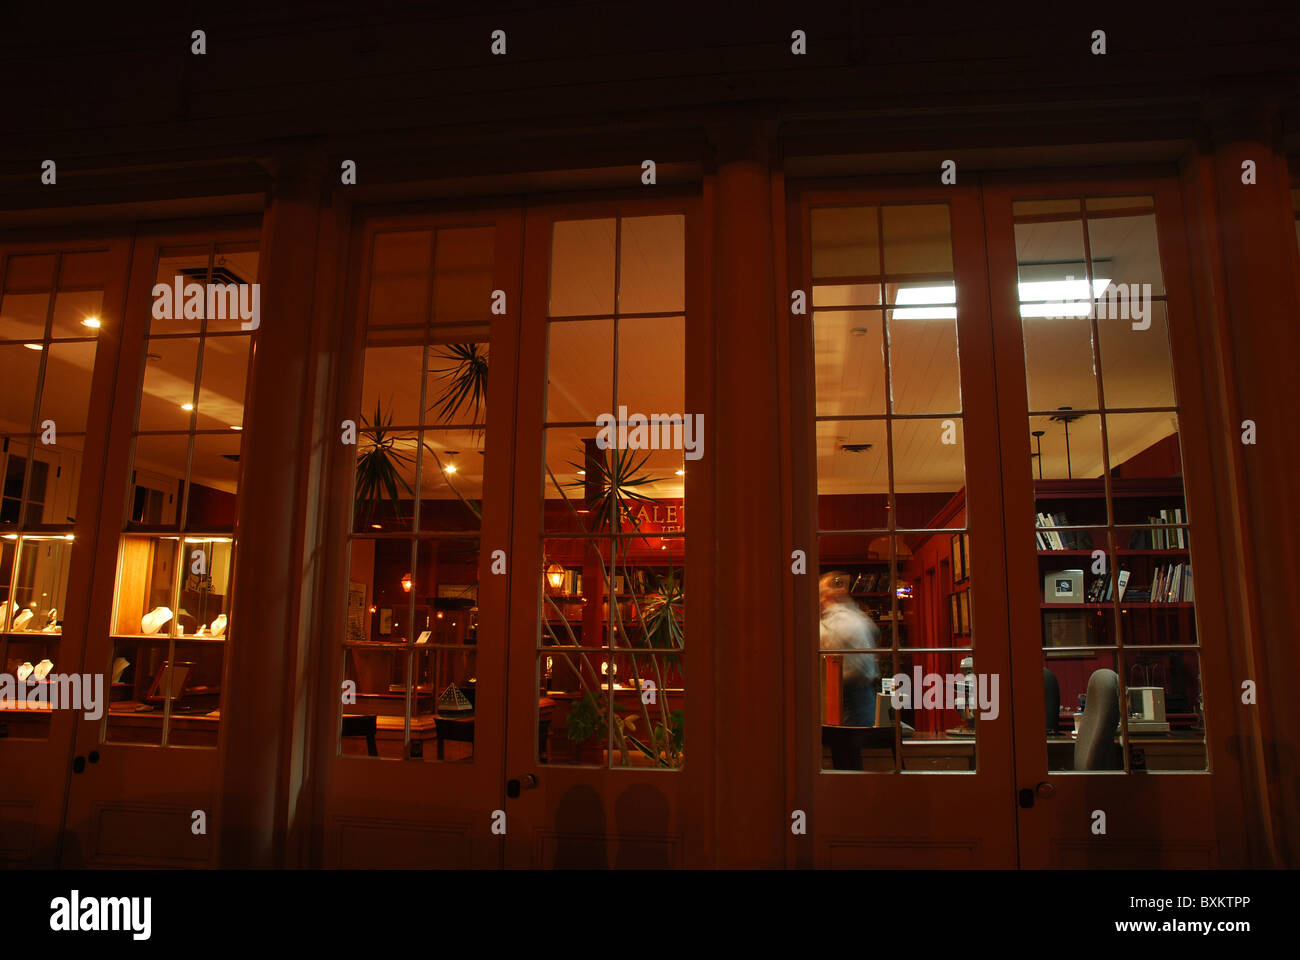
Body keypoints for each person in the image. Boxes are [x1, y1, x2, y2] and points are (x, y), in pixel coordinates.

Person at [819, 570, 882, 726]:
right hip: (860, 693)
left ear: (828, 595)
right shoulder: (857, 617)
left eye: (821, 593)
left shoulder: (837, 621)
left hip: (849, 695)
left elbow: (829, 660)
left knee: (848, 741)